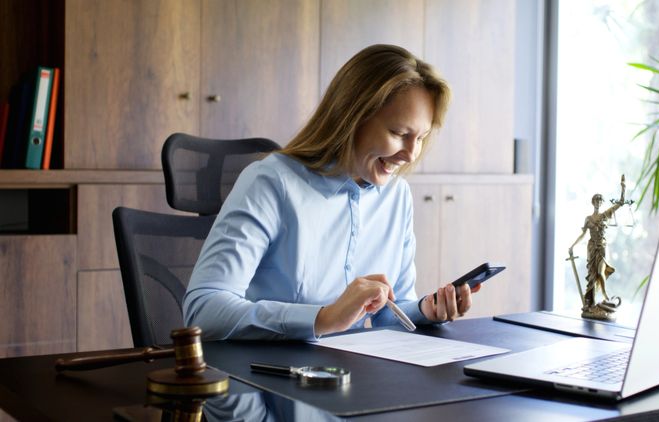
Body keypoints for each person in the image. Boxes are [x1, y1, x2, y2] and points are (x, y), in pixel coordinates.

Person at [183, 44, 479, 341]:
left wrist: (424, 311)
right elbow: (203, 311)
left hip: (348, 375)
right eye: (399, 134)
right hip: (266, 374)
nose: (410, 155)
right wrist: (322, 318)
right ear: (352, 118)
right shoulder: (271, 183)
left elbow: (389, 309)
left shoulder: (396, 195)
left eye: (422, 137)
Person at [568, 175, 626, 319]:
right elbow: (583, 235)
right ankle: (590, 305)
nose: (598, 203)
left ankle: (606, 296)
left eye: (600, 200)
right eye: (596, 200)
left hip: (601, 247)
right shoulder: (588, 219)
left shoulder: (605, 215)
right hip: (591, 247)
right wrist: (572, 246)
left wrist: (623, 188)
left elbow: (621, 203)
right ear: (593, 202)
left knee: (600, 273)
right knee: (592, 277)